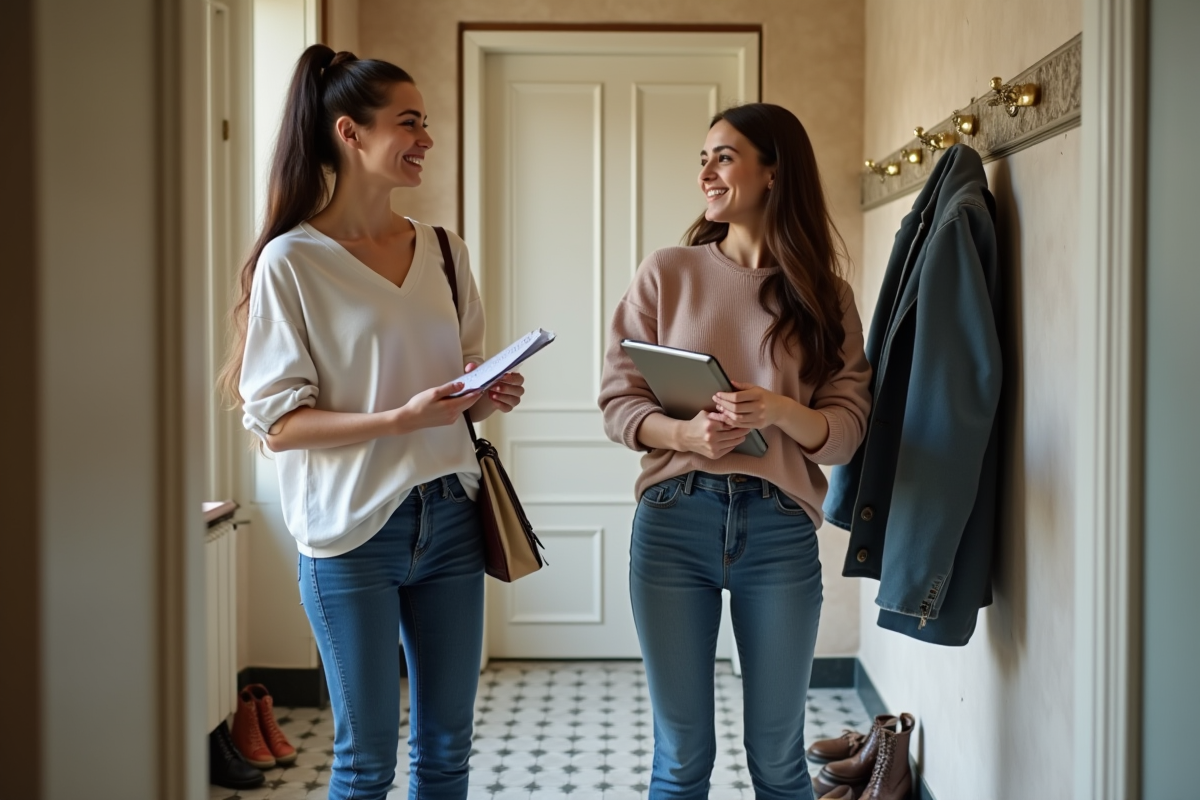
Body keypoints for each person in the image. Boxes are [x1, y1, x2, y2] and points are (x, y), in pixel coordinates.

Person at [218, 44, 525, 800]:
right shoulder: (292, 262)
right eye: (409, 123)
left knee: (448, 751)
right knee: (364, 763)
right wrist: (401, 418)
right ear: (350, 133)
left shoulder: (445, 251)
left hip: (452, 517)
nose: (425, 138)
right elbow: (277, 427)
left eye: (426, 123)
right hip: (350, 533)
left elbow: (462, 382)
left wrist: (486, 395)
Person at [598, 103, 873, 800]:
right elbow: (619, 404)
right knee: (682, 758)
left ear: (773, 172)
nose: (707, 172)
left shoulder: (826, 296)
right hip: (671, 521)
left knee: (778, 758)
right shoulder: (667, 273)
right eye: (703, 158)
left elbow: (846, 431)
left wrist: (782, 411)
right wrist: (686, 434)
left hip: (778, 529)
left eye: (723, 156)